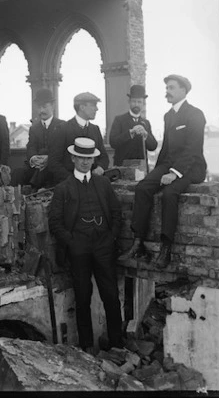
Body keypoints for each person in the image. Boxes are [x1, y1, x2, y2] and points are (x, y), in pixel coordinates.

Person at [120, 75, 206, 269]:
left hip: (191, 167)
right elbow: (166, 148)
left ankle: (166, 248)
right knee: (143, 188)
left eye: (172, 88)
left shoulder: (195, 114)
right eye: (167, 87)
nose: (167, 91)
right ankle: (138, 242)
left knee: (169, 194)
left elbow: (192, 149)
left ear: (184, 90)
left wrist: (174, 173)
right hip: (168, 164)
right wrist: (157, 173)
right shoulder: (168, 116)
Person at [48, 137, 123, 354]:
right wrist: (72, 243)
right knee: (82, 297)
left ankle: (117, 344)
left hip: (103, 246)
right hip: (78, 249)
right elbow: (55, 222)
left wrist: (111, 238)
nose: (84, 162)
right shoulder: (63, 188)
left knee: (110, 295)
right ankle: (87, 345)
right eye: (80, 158)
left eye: (88, 158)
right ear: (73, 158)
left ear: (93, 159)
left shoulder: (103, 183)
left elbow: (116, 214)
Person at [48, 91, 109, 184]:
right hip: (68, 185)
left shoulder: (95, 129)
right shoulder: (63, 129)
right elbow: (54, 163)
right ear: (82, 107)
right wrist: (74, 180)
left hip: (93, 183)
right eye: (93, 105)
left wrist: (100, 168)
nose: (96, 109)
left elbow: (104, 157)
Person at [11, 88, 65, 189]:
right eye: (39, 107)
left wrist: (49, 159)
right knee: (17, 174)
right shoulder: (34, 128)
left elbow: (64, 150)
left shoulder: (62, 125)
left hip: (55, 166)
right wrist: (33, 158)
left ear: (53, 106)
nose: (41, 111)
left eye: (44, 107)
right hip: (36, 166)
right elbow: (31, 147)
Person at [109, 85, 158, 167]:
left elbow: (153, 146)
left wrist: (146, 135)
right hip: (122, 166)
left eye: (139, 102)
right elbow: (113, 142)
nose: (136, 104)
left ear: (143, 104)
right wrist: (130, 133)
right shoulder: (119, 120)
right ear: (129, 102)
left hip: (141, 167)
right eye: (134, 101)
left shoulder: (146, 123)